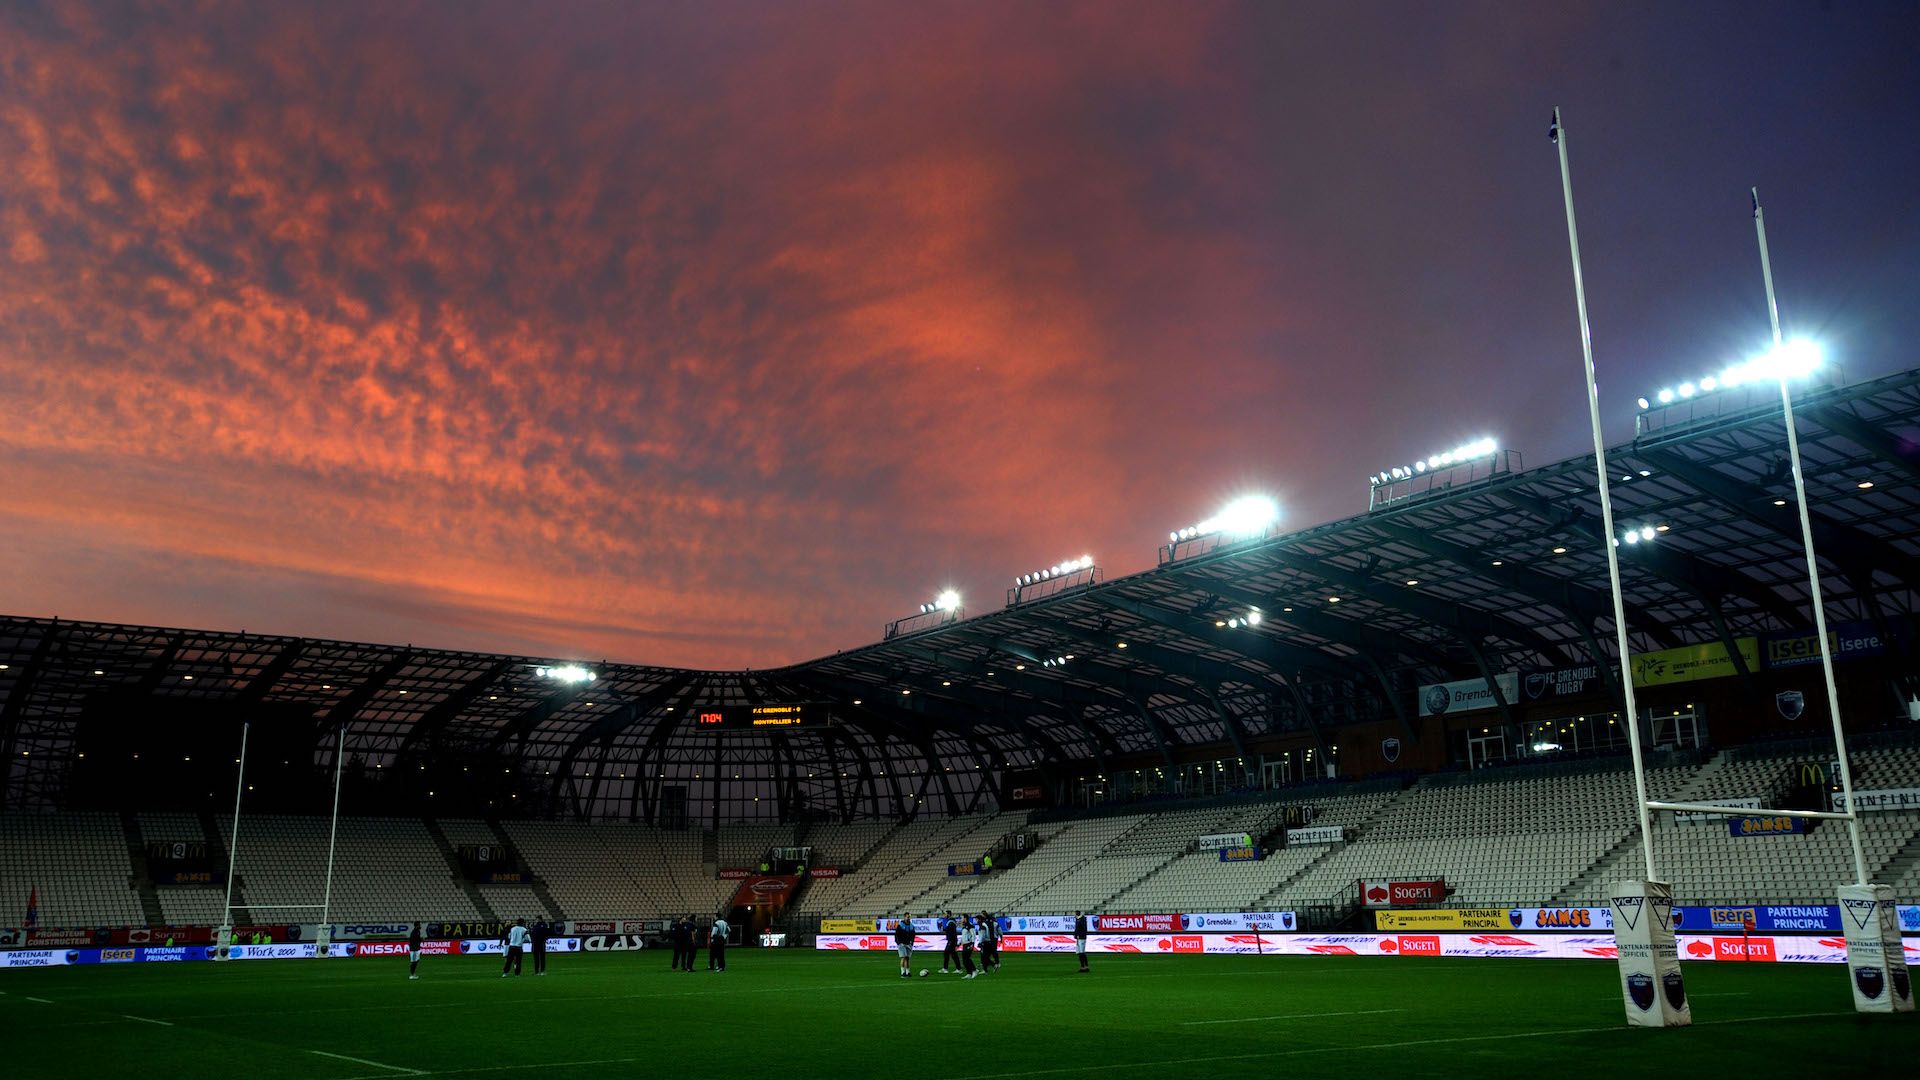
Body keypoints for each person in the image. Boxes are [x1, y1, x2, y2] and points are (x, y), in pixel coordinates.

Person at [960, 915, 977, 979]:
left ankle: (974, 970)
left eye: (962, 918)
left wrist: (972, 943)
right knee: (964, 960)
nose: (961, 919)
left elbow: (973, 935)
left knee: (967, 958)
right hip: (965, 944)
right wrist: (959, 943)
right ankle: (969, 973)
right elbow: (963, 936)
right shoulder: (964, 926)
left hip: (969, 944)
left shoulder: (970, 925)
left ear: (965, 918)